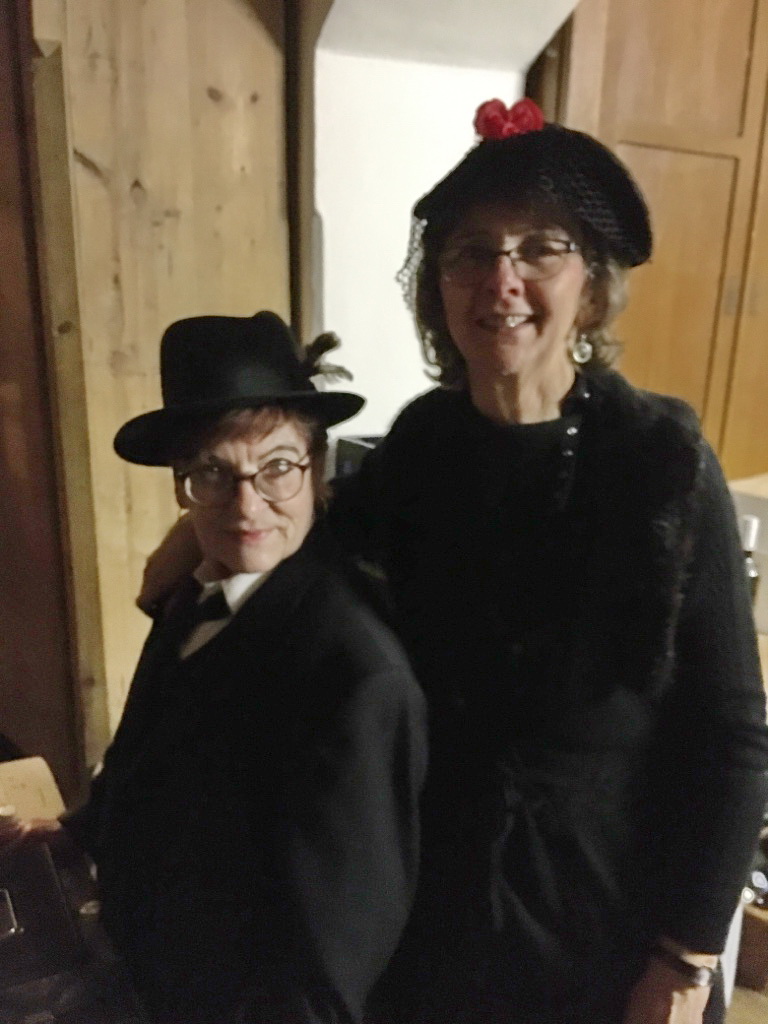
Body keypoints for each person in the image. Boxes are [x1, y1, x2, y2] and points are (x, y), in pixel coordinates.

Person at [137, 100, 768, 1024]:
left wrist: (686, 959)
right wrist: (199, 525)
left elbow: (733, 737)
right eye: (472, 252)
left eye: (539, 249)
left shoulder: (661, 462)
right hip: (442, 927)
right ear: (438, 287)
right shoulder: (422, 447)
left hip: (615, 928)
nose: (501, 280)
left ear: (590, 288)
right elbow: (312, 517)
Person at [0, 312, 427, 1024]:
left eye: (277, 467)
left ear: (317, 468)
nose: (247, 504)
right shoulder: (195, 595)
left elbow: (328, 971)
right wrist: (74, 829)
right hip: (144, 982)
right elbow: (152, 761)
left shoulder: (353, 675)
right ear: (181, 485)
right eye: (213, 473)